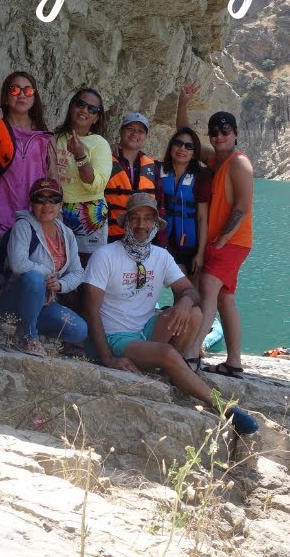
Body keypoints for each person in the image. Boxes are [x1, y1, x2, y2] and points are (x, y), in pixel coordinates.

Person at [82, 193, 258, 435]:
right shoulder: (106, 256)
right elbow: (90, 311)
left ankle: (171, 372)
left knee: (193, 313)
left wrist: (184, 302)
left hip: (144, 330)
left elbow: (190, 291)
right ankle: (224, 408)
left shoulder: (160, 256)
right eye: (135, 218)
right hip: (114, 337)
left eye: (148, 219)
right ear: (126, 223)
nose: (141, 225)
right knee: (167, 353)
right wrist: (108, 358)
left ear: (155, 224)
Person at [176, 104, 255, 379]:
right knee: (225, 299)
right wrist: (183, 101)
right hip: (223, 242)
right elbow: (184, 133)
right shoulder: (214, 159)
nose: (218, 136)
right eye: (214, 132)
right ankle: (234, 363)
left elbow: (242, 206)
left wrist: (222, 240)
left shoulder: (239, 163)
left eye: (225, 131)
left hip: (232, 242)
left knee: (208, 288)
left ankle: (191, 355)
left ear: (236, 133)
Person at [0, 178, 87, 356]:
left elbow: (77, 271)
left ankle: (26, 328)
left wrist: (60, 284)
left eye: (53, 199)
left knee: (79, 330)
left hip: (44, 303)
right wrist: (48, 274)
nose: (47, 204)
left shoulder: (67, 233)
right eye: (40, 199)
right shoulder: (23, 226)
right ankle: (29, 337)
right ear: (31, 203)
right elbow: (18, 264)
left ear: (61, 204)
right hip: (13, 300)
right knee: (34, 278)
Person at [0, 71, 48, 260]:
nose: (21, 95)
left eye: (27, 91)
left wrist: (54, 212)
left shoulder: (44, 135)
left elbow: (52, 177)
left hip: (33, 211)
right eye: (14, 90)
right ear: (6, 97)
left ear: (34, 97)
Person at [51, 88, 112, 263]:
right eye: (80, 104)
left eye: (92, 109)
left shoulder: (100, 144)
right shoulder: (54, 138)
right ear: (71, 106)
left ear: (96, 118)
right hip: (55, 209)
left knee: (88, 267)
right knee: (57, 263)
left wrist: (80, 156)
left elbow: (97, 185)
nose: (85, 110)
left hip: (88, 212)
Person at [105, 112, 164, 243]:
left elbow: (160, 206)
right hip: (111, 237)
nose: (135, 134)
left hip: (143, 237)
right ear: (121, 131)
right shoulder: (105, 159)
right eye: (130, 129)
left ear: (145, 136)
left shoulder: (153, 166)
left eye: (140, 131)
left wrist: (161, 242)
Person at [159, 127, 211, 276]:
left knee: (189, 288)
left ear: (194, 153)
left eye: (189, 146)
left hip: (188, 247)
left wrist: (200, 253)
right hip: (160, 243)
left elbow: (202, 218)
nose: (182, 148)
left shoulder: (201, 178)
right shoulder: (156, 171)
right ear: (171, 146)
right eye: (178, 143)